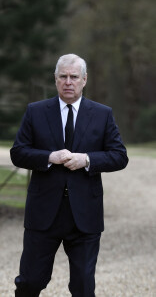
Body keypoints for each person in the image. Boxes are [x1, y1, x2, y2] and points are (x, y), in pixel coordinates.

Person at [10, 54, 129, 297]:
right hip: (43, 213)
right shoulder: (36, 111)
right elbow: (18, 153)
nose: (68, 82)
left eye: (74, 77)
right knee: (30, 282)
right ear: (55, 80)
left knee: (84, 287)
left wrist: (87, 160)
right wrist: (48, 157)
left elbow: (119, 156)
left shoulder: (102, 114)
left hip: (85, 214)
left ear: (84, 80)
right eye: (63, 77)